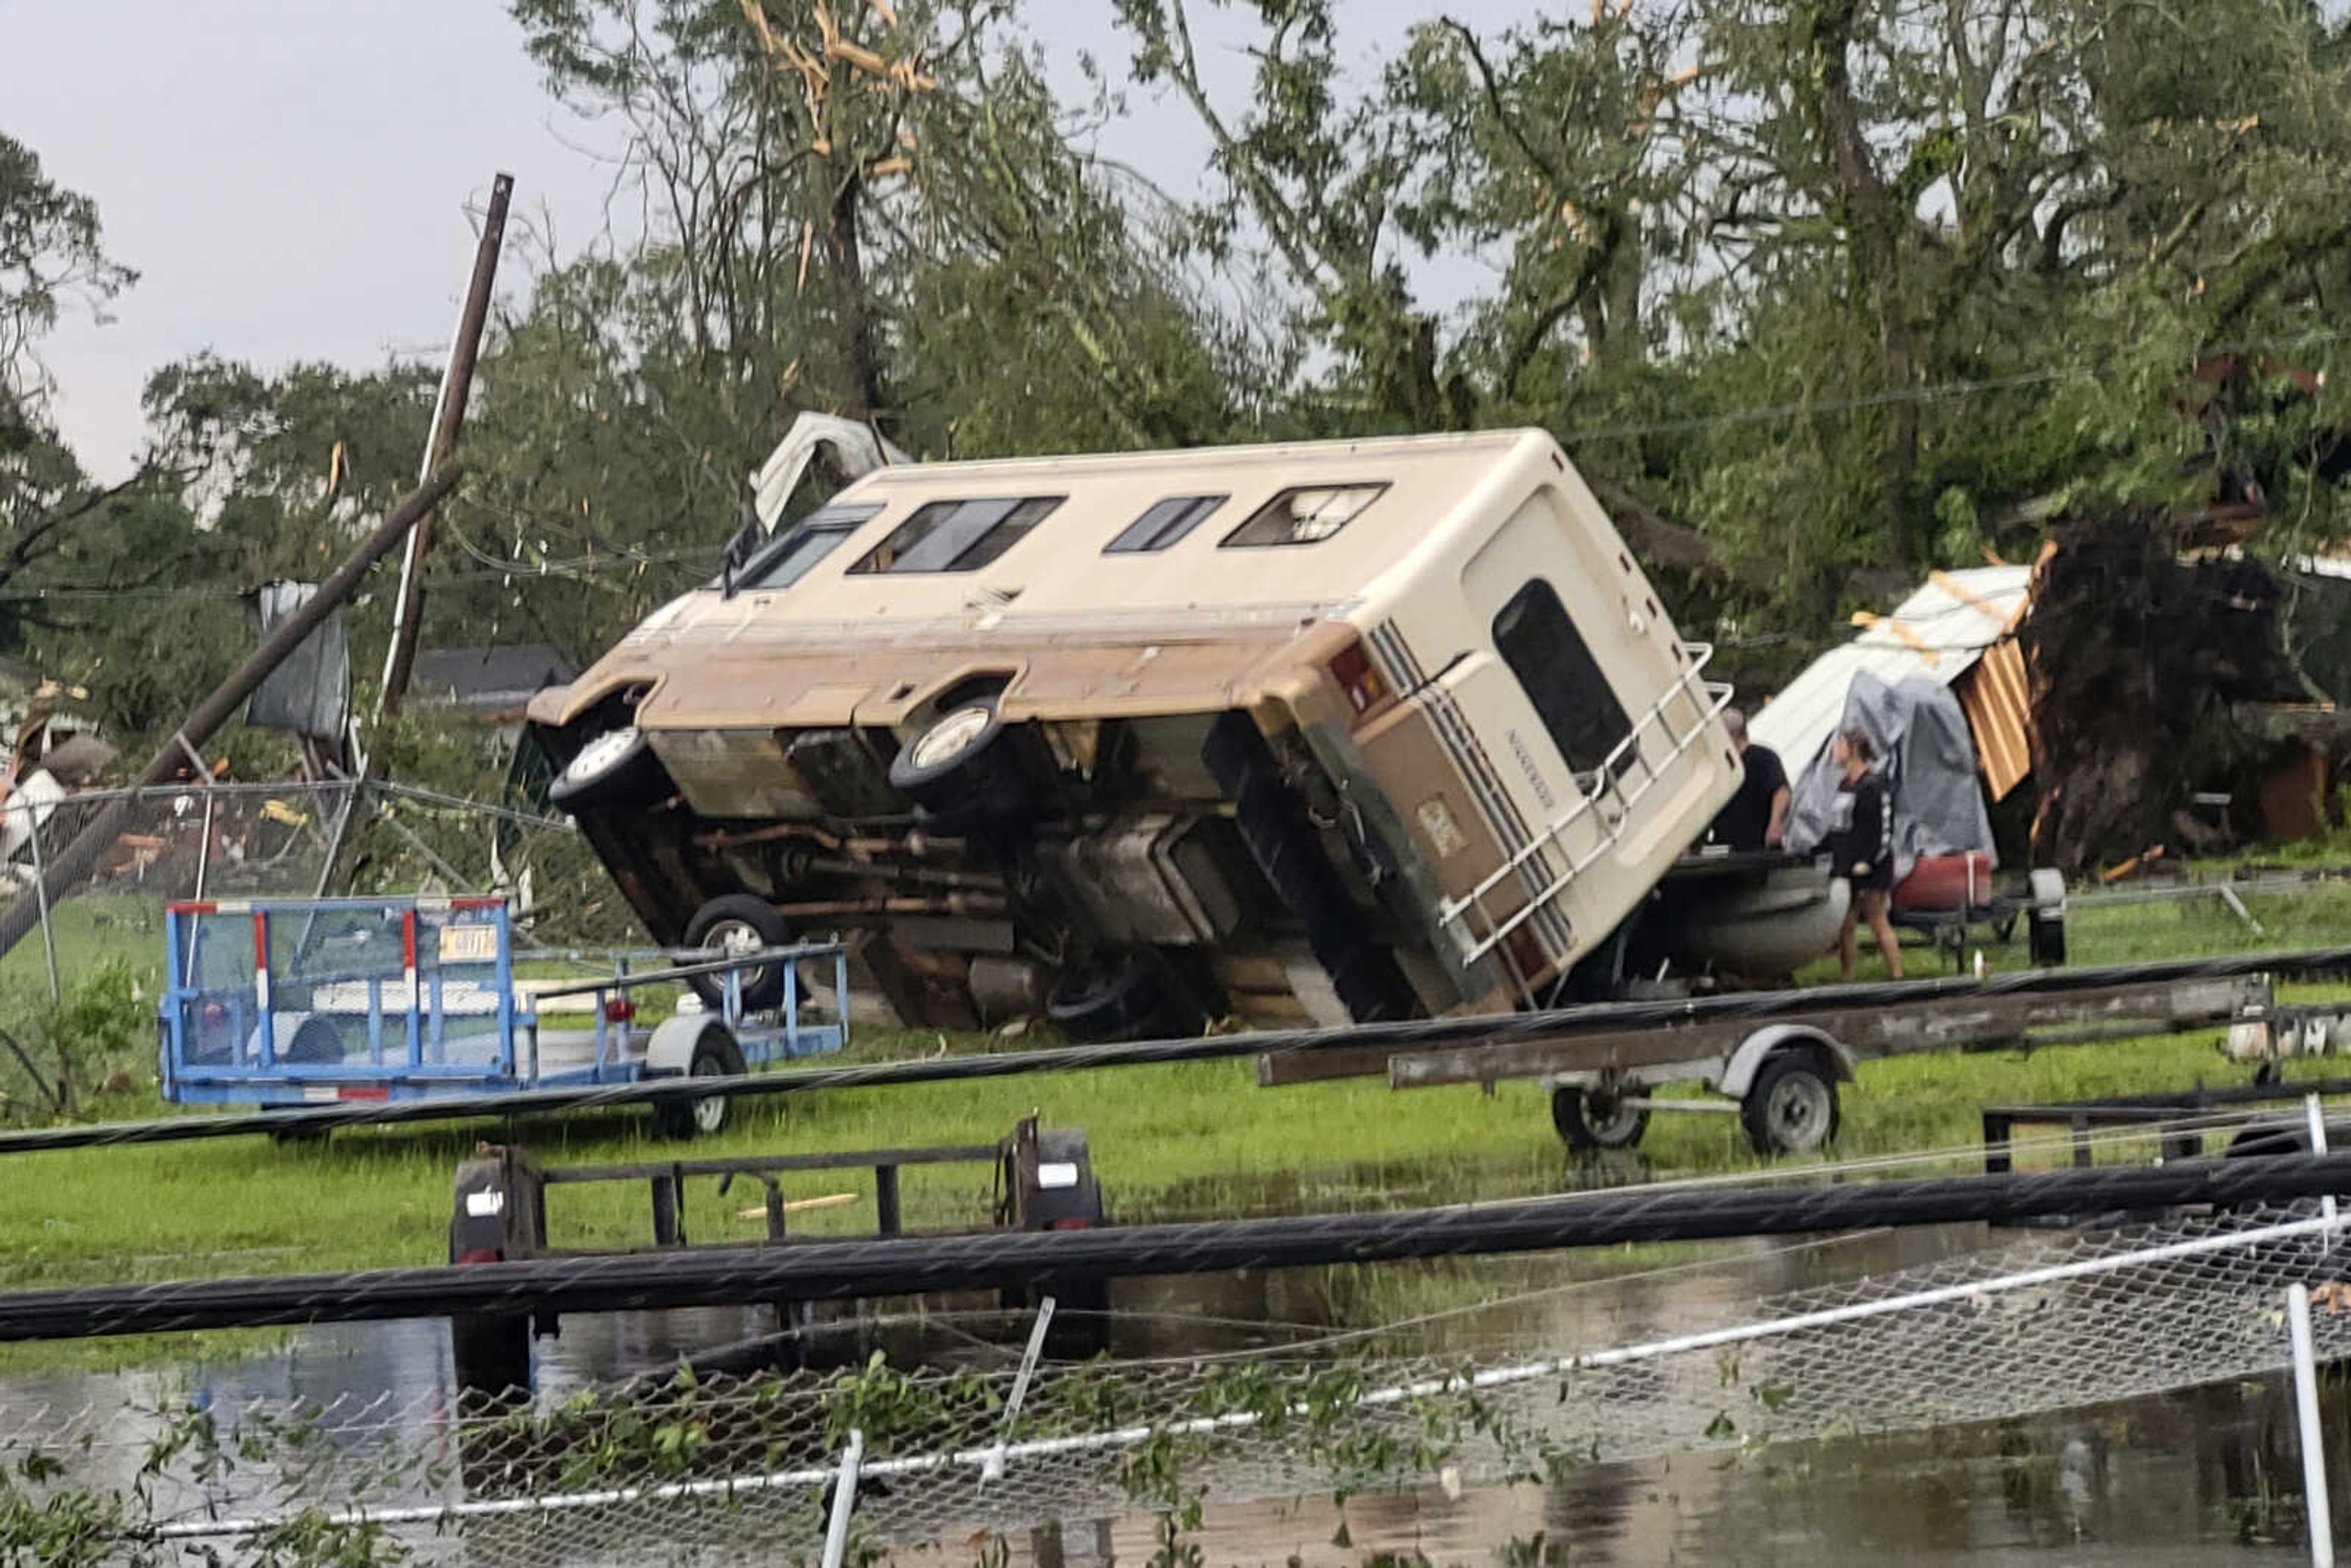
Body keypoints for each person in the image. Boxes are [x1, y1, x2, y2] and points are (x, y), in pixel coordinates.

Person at [1828, 726, 1903, 981]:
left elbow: (1883, 829)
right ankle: (1847, 977)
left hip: (1873, 864)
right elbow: (1839, 826)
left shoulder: (1873, 786)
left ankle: (1897, 975)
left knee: (1876, 919)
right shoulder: (1844, 785)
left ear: (1853, 749)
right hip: (1847, 864)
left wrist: (1869, 861)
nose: (1835, 751)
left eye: (1839, 745)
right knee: (1845, 924)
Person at [1708, 708, 1789, 852]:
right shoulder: (1719, 763)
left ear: (1732, 735)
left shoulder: (1763, 758)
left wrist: (1776, 825)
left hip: (1758, 844)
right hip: (1725, 845)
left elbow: (1782, 791)